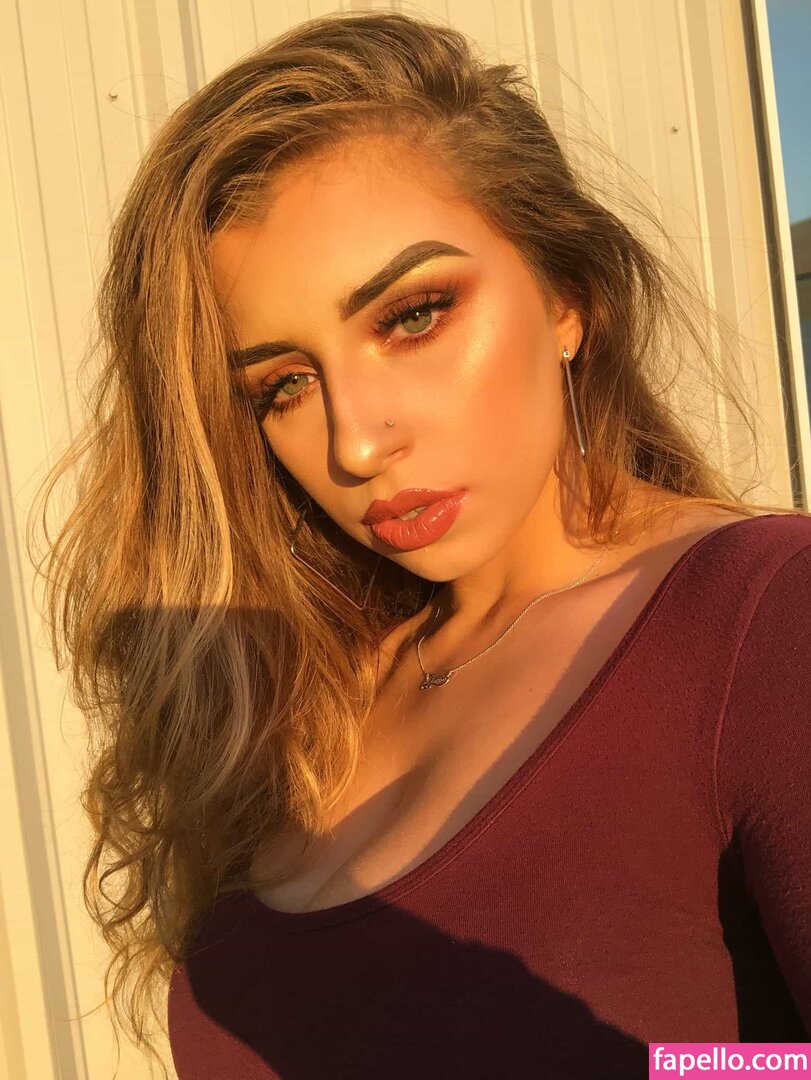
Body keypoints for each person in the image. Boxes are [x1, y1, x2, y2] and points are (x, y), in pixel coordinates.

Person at [27, 10, 811, 1080]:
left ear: (567, 296)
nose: (354, 443)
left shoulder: (765, 621)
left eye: (412, 316)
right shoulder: (303, 702)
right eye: (281, 385)